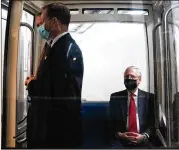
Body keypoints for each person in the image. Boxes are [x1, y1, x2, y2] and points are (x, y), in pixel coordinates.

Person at [25, 3, 84, 148]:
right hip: (47, 128)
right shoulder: (53, 46)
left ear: (54, 22)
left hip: (56, 133)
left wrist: (32, 84)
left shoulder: (67, 50)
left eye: (43, 21)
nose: (40, 27)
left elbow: (59, 93)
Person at [109, 66, 155, 148]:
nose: (129, 79)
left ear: (139, 80)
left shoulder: (150, 98)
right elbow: (111, 121)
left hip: (144, 140)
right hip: (121, 141)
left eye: (132, 76)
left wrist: (144, 136)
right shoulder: (115, 97)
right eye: (126, 77)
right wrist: (119, 135)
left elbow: (153, 122)